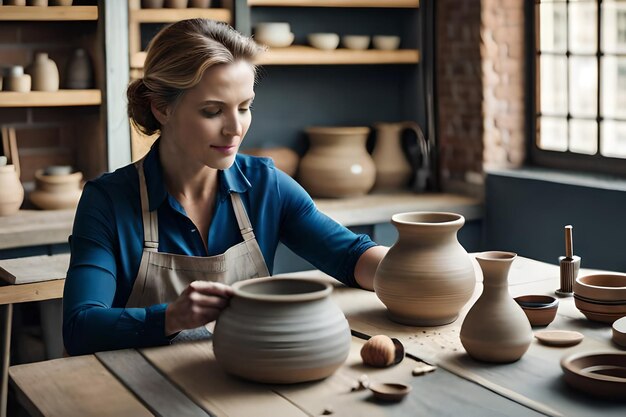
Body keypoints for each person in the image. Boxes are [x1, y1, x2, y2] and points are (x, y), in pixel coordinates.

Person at [62, 19, 388, 356]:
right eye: (213, 111)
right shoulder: (108, 202)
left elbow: (351, 257)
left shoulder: (265, 185)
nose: (235, 128)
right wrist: (170, 317)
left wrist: (416, 267)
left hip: (247, 383)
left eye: (245, 107)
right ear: (162, 108)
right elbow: (80, 327)